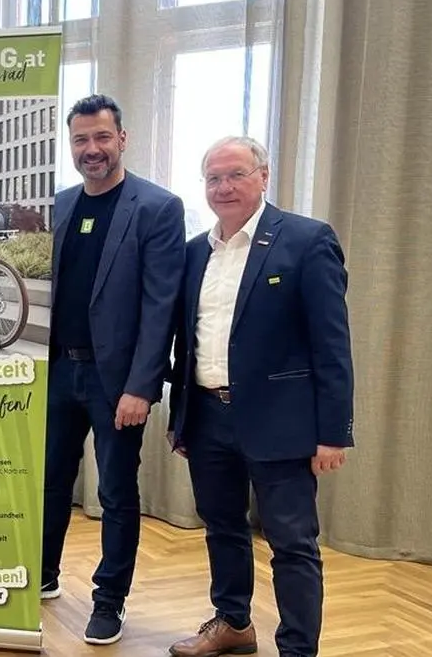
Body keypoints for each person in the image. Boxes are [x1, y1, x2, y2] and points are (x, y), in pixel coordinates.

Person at [165, 136, 354, 657]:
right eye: (213, 178)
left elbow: (332, 344)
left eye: (236, 175)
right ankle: (233, 624)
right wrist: (182, 418)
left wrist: (332, 432)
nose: (223, 187)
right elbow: (187, 339)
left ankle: (297, 648)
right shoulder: (193, 252)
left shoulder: (307, 240)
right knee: (222, 527)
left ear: (264, 177)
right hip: (208, 416)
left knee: (292, 543)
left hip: (282, 423)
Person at [42, 94, 186, 645]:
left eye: (102, 137)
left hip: (117, 383)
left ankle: (109, 600)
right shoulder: (58, 205)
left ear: (122, 139)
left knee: (117, 494)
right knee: (50, 482)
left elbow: (161, 306)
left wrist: (141, 387)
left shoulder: (157, 207)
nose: (92, 149)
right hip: (57, 373)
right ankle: (44, 573)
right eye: (81, 139)